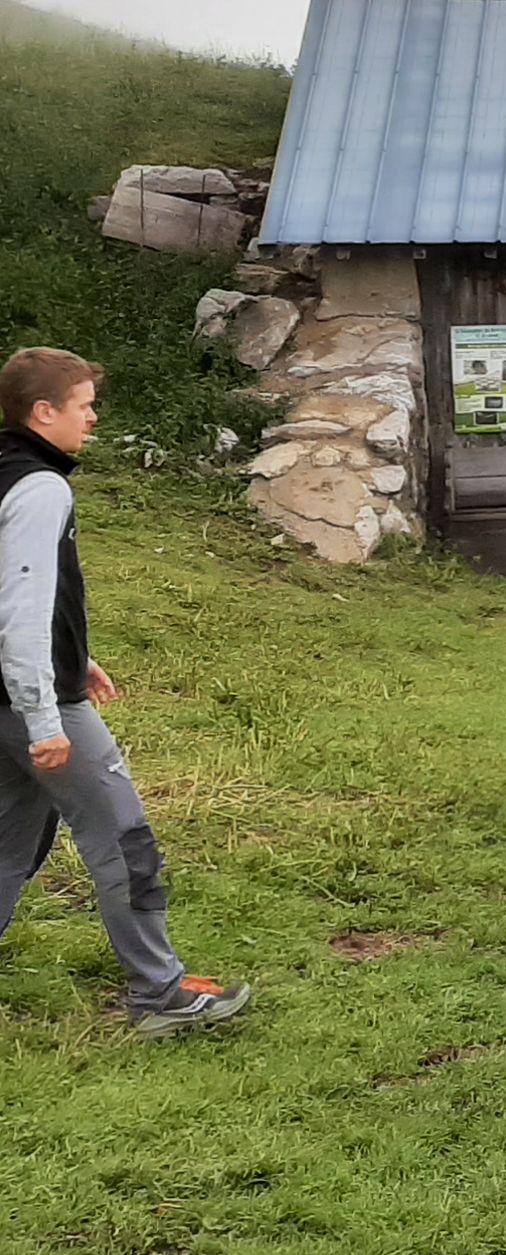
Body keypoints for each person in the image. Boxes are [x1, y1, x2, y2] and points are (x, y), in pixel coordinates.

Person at [0, 347, 251, 1037]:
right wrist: (45, 713)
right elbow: (21, 608)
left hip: (14, 696)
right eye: (82, 404)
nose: (93, 415)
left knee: (10, 844)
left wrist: (76, 656)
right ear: (43, 411)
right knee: (122, 836)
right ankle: (159, 993)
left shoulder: (5, 474)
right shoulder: (42, 488)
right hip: (33, 707)